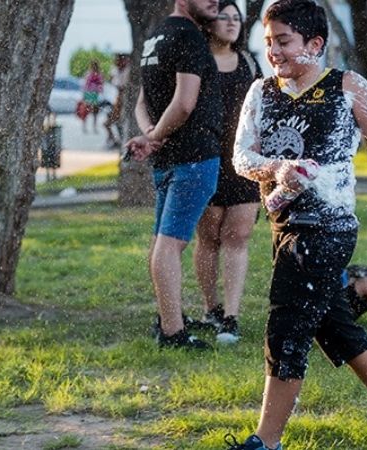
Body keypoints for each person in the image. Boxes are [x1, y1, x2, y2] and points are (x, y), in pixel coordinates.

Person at [227, 1, 367, 448]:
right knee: (335, 325)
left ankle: (265, 442)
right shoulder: (260, 92)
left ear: (315, 44)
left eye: (284, 41)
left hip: (326, 228)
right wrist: (279, 168)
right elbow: (241, 159)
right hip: (285, 225)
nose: (274, 51)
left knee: (287, 327)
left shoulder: (347, 86)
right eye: (269, 41)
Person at [126, 0, 222, 350]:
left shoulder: (156, 36)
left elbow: (141, 102)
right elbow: (184, 103)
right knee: (171, 244)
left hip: (168, 159)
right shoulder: (188, 36)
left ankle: (169, 318)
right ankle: (172, 333)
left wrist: (150, 136)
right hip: (193, 157)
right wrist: (154, 138)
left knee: (162, 241)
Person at [192, 0, 263, 344]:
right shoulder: (197, 61)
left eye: (237, 18)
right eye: (225, 17)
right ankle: (211, 309)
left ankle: (232, 316)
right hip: (206, 158)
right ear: (209, 23)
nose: (232, 23)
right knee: (208, 237)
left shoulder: (250, 63)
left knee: (238, 236)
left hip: (244, 162)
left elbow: (267, 109)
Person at [104, 54, 130, 148]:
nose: (117, 62)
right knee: (109, 123)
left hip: (121, 102)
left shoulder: (128, 71)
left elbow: (122, 87)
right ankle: (116, 140)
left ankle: (120, 141)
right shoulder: (115, 71)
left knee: (119, 123)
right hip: (114, 101)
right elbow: (111, 83)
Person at [81, 60, 104, 133]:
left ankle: (92, 127)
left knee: (93, 112)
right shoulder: (91, 74)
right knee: (89, 112)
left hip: (93, 94)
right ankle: (88, 127)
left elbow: (87, 85)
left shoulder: (94, 74)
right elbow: (87, 84)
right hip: (91, 94)